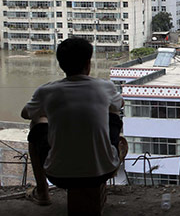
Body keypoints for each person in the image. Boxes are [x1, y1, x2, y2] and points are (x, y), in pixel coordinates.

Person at [21, 37, 125, 205]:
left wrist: (51, 113)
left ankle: (43, 192)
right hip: (104, 171)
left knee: (36, 122)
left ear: (61, 65)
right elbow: (120, 104)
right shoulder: (105, 86)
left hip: (58, 176)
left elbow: (26, 113)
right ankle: (116, 150)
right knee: (113, 112)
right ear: (88, 63)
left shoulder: (46, 91)